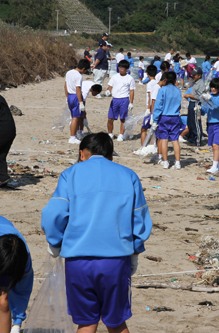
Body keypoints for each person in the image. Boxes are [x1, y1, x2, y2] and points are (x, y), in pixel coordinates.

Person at [41, 133, 152, 333]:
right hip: (116, 261)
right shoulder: (128, 175)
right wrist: (135, 250)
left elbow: (54, 213)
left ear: (83, 153)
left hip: (78, 261)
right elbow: (139, 218)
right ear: (110, 156)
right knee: (116, 322)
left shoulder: (70, 174)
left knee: (86, 322)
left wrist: (55, 242)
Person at [151, 72, 183, 170]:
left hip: (164, 117)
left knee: (164, 140)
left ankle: (165, 162)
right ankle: (178, 163)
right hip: (175, 117)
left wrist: (155, 120)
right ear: (174, 80)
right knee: (175, 140)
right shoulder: (178, 91)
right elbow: (179, 105)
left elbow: (158, 106)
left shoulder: (162, 90)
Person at [201, 78, 219, 174]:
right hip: (211, 124)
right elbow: (204, 111)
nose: (213, 89)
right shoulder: (209, 96)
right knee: (214, 146)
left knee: (215, 145)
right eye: (212, 87)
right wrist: (199, 108)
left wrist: (210, 98)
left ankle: (214, 167)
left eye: (216, 87)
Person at [107, 60, 135, 142]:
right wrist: (108, 90)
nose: (121, 69)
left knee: (123, 119)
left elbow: (132, 91)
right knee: (110, 119)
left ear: (126, 69)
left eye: (122, 68)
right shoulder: (115, 76)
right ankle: (110, 134)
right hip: (114, 99)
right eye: (120, 67)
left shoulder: (130, 78)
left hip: (124, 99)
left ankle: (121, 135)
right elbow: (110, 86)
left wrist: (131, 102)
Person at [65, 59, 89, 144]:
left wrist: (67, 96)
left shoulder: (68, 72)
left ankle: (74, 135)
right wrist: (81, 102)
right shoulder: (79, 76)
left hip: (70, 96)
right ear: (83, 68)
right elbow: (78, 89)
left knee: (75, 116)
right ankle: (72, 137)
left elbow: (65, 85)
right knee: (75, 118)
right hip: (76, 96)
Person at [184, 67, 205, 146]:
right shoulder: (195, 82)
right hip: (191, 103)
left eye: (194, 75)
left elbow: (200, 96)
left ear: (199, 76)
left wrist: (189, 95)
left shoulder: (201, 84)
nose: (192, 76)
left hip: (196, 104)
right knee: (190, 122)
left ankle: (198, 140)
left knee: (196, 123)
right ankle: (191, 139)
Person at [141, 65, 158, 146]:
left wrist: (148, 109)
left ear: (147, 73)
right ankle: (153, 145)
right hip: (156, 108)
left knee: (143, 129)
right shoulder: (157, 83)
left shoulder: (150, 84)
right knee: (154, 129)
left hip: (151, 108)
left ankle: (143, 147)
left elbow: (150, 97)